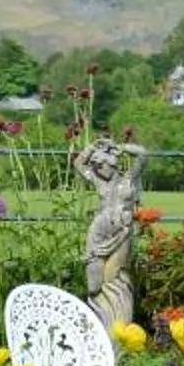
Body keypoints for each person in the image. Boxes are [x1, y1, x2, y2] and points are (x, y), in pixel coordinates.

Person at [75, 135, 142, 332]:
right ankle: (99, 322)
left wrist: (122, 147)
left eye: (101, 164)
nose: (98, 169)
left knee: (116, 275)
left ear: (112, 164)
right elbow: (79, 163)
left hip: (122, 231)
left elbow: (143, 156)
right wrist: (91, 147)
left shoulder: (129, 178)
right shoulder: (98, 181)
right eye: (95, 165)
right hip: (100, 231)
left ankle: (119, 325)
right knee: (94, 285)